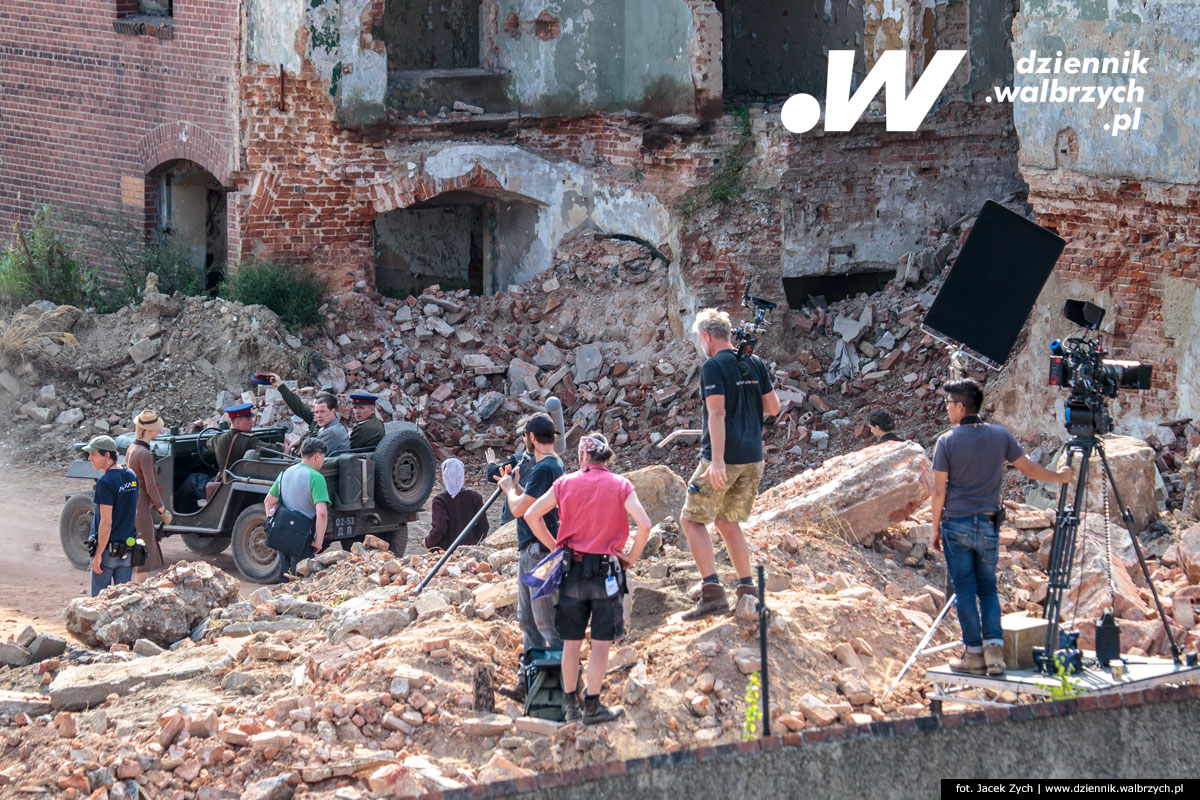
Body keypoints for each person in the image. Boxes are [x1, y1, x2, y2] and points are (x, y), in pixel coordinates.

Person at [931, 379, 1072, 676]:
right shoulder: (1001, 435)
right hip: (988, 523)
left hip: (956, 524)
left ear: (960, 406)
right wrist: (1060, 477)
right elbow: (1030, 470)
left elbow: (938, 491)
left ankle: (973, 654)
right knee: (988, 589)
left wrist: (933, 529)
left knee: (965, 591)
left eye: (947, 404)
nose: (946, 409)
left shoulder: (946, 441)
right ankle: (995, 654)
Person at [524, 433, 651, 724]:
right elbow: (644, 524)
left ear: (583, 456)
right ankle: (592, 707)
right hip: (607, 570)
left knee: (571, 642)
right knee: (601, 644)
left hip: (572, 571)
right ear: (606, 458)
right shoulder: (620, 484)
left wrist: (555, 544)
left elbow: (532, 514)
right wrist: (631, 557)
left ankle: (571, 708)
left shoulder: (565, 483)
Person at [679, 308, 780, 620]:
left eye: (700, 338)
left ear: (708, 337)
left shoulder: (712, 367)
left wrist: (718, 460)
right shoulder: (754, 362)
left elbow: (718, 414)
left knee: (692, 520)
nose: (701, 343)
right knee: (726, 522)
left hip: (724, 459)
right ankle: (747, 589)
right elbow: (774, 408)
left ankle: (712, 593)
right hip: (753, 458)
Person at [486, 412, 565, 700]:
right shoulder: (554, 465)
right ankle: (529, 682)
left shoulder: (545, 468)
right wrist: (516, 485)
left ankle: (561, 690)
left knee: (545, 623)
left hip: (538, 550)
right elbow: (529, 501)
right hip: (533, 550)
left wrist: (508, 488)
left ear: (531, 438)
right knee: (528, 620)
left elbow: (520, 510)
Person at [264, 437, 330, 582]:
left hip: (281, 534)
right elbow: (322, 513)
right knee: (302, 581)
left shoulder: (285, 472)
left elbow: (268, 501)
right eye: (323, 458)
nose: (322, 462)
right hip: (303, 538)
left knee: (286, 578)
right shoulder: (316, 477)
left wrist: (270, 524)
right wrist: (318, 541)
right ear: (317, 456)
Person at [84, 435, 139, 597]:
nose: (89, 458)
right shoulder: (131, 475)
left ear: (107, 455)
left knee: (99, 603)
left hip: (108, 553)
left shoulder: (105, 482)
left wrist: (98, 554)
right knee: (122, 603)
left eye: (93, 454)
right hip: (128, 551)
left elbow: (106, 522)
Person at [127, 409, 173, 583]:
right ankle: (136, 594)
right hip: (141, 509)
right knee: (143, 558)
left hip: (132, 504)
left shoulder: (133, 448)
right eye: (156, 428)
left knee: (137, 555)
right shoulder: (144, 454)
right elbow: (150, 487)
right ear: (149, 430)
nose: (158, 431)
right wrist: (162, 509)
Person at [264, 372, 349, 455]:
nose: (317, 414)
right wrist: (280, 385)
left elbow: (311, 456)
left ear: (332, 410)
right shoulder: (322, 422)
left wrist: (300, 442)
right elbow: (298, 406)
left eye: (322, 411)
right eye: (315, 410)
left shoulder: (330, 430)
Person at [425, 457, 488, 550]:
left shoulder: (439, 500)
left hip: (444, 554)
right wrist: (473, 540)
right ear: (462, 475)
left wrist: (428, 542)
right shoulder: (475, 497)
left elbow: (439, 529)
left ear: (444, 476)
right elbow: (483, 527)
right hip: (468, 551)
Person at [208, 403, 267, 474]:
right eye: (248, 419)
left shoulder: (217, 439)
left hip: (225, 480)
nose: (252, 421)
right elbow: (270, 450)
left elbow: (208, 444)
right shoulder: (249, 439)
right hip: (240, 480)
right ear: (237, 423)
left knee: (194, 477)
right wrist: (280, 446)